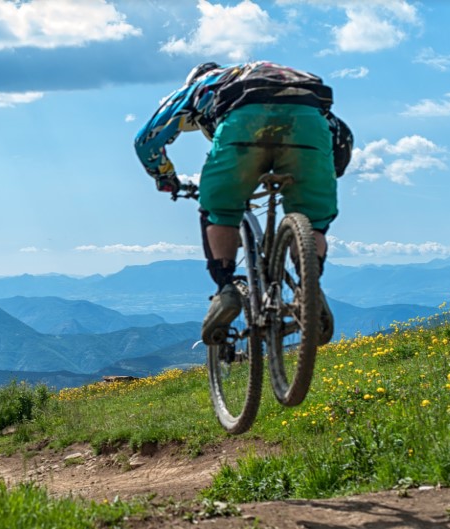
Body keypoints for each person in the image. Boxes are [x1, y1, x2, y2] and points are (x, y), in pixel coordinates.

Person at [134, 61, 352, 346]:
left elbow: (146, 140)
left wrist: (166, 178)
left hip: (243, 122)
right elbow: (343, 137)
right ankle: (309, 290)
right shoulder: (279, 77)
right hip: (308, 121)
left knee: (219, 210)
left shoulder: (204, 85)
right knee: (313, 218)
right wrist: (325, 173)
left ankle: (226, 289)